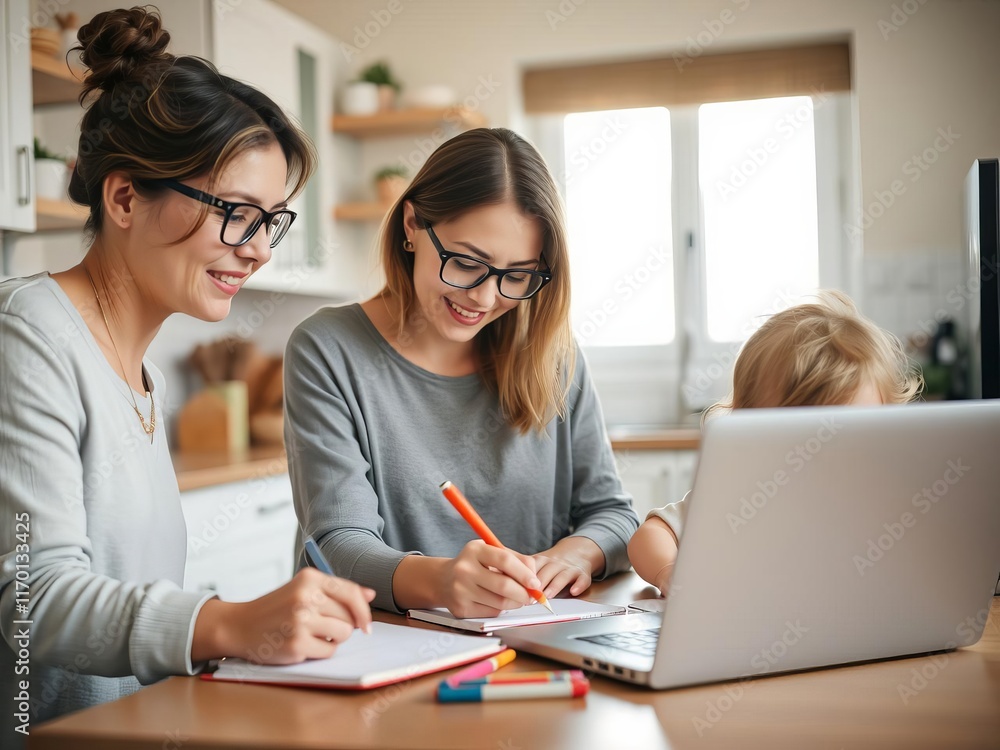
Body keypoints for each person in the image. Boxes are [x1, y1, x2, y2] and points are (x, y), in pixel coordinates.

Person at [0, 8, 372, 741]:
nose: (259, 249)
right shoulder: (28, 335)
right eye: (236, 212)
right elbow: (31, 599)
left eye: (272, 220)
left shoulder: (145, 376)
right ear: (125, 198)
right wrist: (227, 622)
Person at [285, 127, 639, 619]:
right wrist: (441, 581)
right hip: (387, 644)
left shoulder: (553, 356)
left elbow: (614, 515)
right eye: (468, 262)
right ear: (412, 224)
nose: (485, 298)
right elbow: (338, 547)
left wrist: (578, 553)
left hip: (532, 640)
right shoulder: (329, 349)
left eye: (518, 275)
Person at [628, 290, 923, 596]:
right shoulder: (740, 495)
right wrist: (669, 571)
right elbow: (651, 534)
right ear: (747, 431)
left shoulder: (880, 502)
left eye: (859, 437)